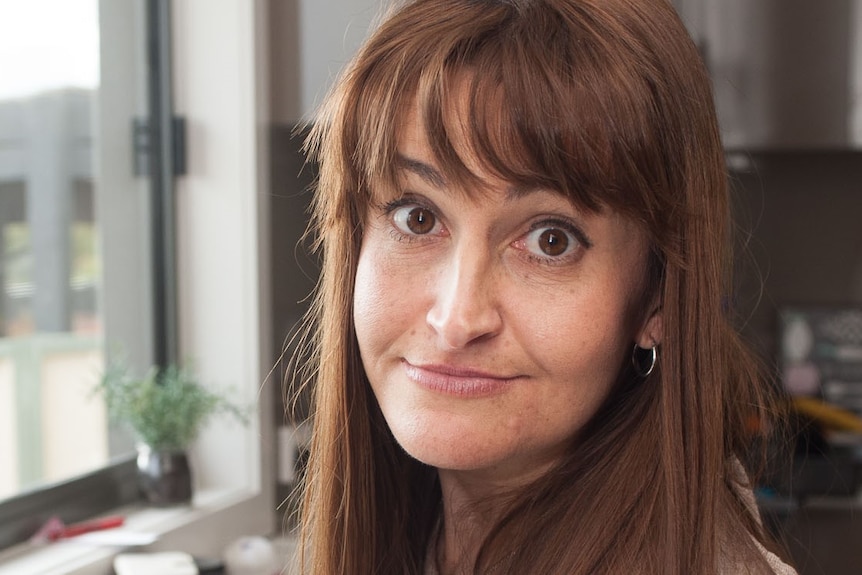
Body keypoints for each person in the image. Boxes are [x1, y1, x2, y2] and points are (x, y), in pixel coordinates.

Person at [291, 0, 797, 573]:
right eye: (418, 218)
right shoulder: (409, 533)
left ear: (657, 296)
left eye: (550, 241)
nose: (456, 319)